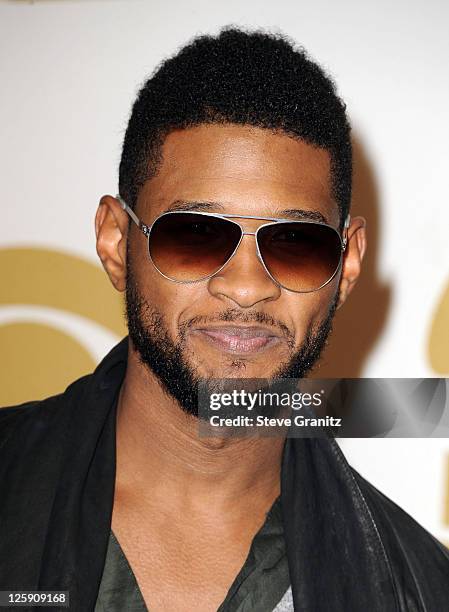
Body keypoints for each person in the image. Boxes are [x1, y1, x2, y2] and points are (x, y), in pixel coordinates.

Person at [0, 27, 448, 612]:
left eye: (296, 242)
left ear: (348, 262)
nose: (246, 287)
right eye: (195, 234)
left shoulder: (422, 588)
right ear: (115, 242)